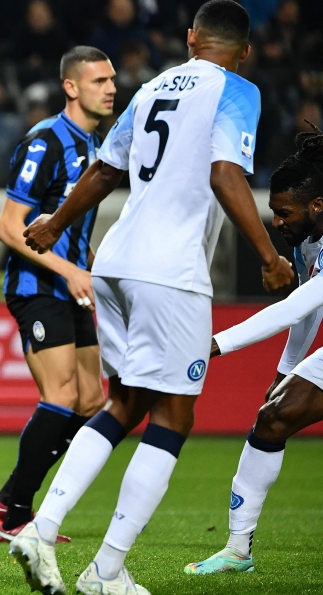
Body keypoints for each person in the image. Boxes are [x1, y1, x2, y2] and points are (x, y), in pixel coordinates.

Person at [15, 2, 294, 594]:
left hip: (116, 264)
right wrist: (269, 257)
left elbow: (104, 170)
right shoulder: (236, 89)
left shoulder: (152, 88)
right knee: (173, 416)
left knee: (124, 403)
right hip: (171, 273)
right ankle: (105, 568)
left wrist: (54, 223)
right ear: (245, 50)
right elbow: (225, 172)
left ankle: (44, 529)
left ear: (191, 38)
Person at [0, 46, 115, 544]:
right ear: (71, 87)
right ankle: (16, 517)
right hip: (38, 285)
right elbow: (8, 226)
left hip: (72, 283)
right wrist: (68, 269)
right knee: (61, 395)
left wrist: (85, 265)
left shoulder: (96, 144)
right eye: (99, 81)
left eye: (112, 80)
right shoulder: (45, 142)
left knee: (91, 402)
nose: (110, 88)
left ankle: (9, 493)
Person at [186, 125, 323, 575]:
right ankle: (237, 550)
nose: (276, 222)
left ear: (317, 205)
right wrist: (286, 371)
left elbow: (293, 308)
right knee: (273, 418)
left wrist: (213, 344)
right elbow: (309, 308)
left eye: (284, 213)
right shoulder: (308, 242)